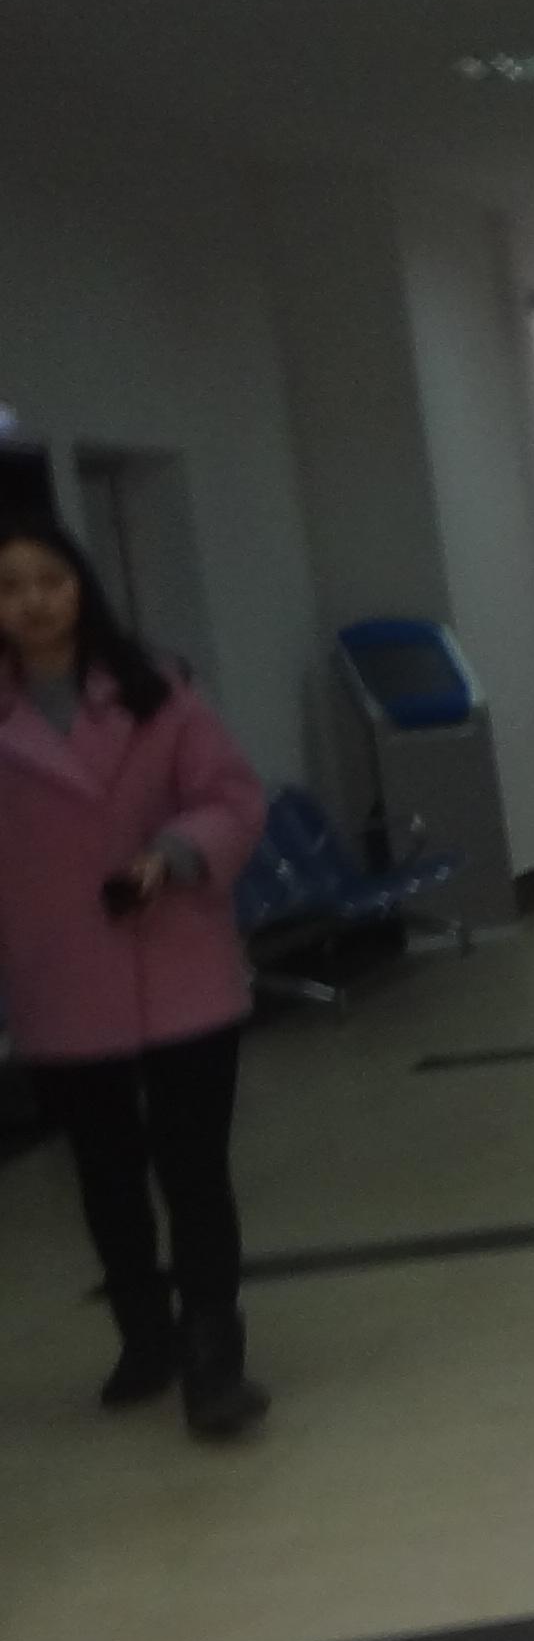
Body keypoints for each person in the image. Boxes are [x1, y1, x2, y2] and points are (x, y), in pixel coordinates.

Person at [1, 508, 272, 1441]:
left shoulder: (158, 689)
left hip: (176, 956)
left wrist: (175, 853)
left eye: (50, 580)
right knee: (105, 1171)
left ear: (82, 586)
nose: (34, 603)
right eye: (10, 588)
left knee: (193, 1168)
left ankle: (214, 1357)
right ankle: (144, 1335)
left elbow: (231, 796)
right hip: (60, 974)